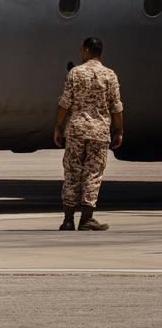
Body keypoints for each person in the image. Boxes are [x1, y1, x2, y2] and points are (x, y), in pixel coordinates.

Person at [53, 37, 123, 231]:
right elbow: (117, 107)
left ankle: (68, 220)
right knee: (92, 174)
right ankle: (86, 219)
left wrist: (58, 126)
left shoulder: (75, 73)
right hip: (99, 132)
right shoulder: (110, 75)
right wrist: (120, 130)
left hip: (76, 130)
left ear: (85, 51)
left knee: (72, 172)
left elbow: (64, 103)